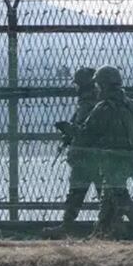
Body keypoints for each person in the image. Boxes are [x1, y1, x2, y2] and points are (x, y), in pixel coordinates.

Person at [79, 66, 133, 240]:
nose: (97, 88)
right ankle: (99, 234)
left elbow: (88, 132)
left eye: (99, 85)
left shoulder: (103, 107)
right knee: (109, 196)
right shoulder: (130, 104)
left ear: (104, 85)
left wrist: (71, 132)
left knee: (120, 196)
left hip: (112, 159)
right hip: (130, 157)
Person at [41, 67, 100, 239]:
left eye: (79, 84)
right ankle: (68, 225)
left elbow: (87, 131)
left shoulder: (92, 104)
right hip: (89, 156)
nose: (77, 88)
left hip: (89, 156)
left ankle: (69, 226)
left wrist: (69, 129)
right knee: (82, 192)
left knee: (83, 192)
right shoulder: (90, 103)